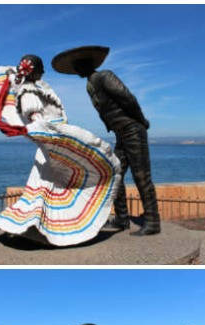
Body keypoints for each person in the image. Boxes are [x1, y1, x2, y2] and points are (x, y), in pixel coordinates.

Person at [0, 54, 122, 246]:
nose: (43, 74)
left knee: (44, 190)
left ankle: (35, 227)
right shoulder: (28, 92)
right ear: (35, 71)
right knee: (48, 189)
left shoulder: (35, 89)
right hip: (50, 145)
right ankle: (35, 227)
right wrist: (52, 134)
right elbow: (36, 118)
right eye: (41, 70)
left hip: (50, 145)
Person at [52, 45, 160, 235]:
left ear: (86, 65)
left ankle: (152, 222)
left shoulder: (104, 76)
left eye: (78, 66)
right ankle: (122, 219)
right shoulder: (91, 84)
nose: (76, 70)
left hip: (132, 130)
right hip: (121, 134)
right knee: (114, 174)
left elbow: (128, 98)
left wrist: (141, 120)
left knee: (141, 176)